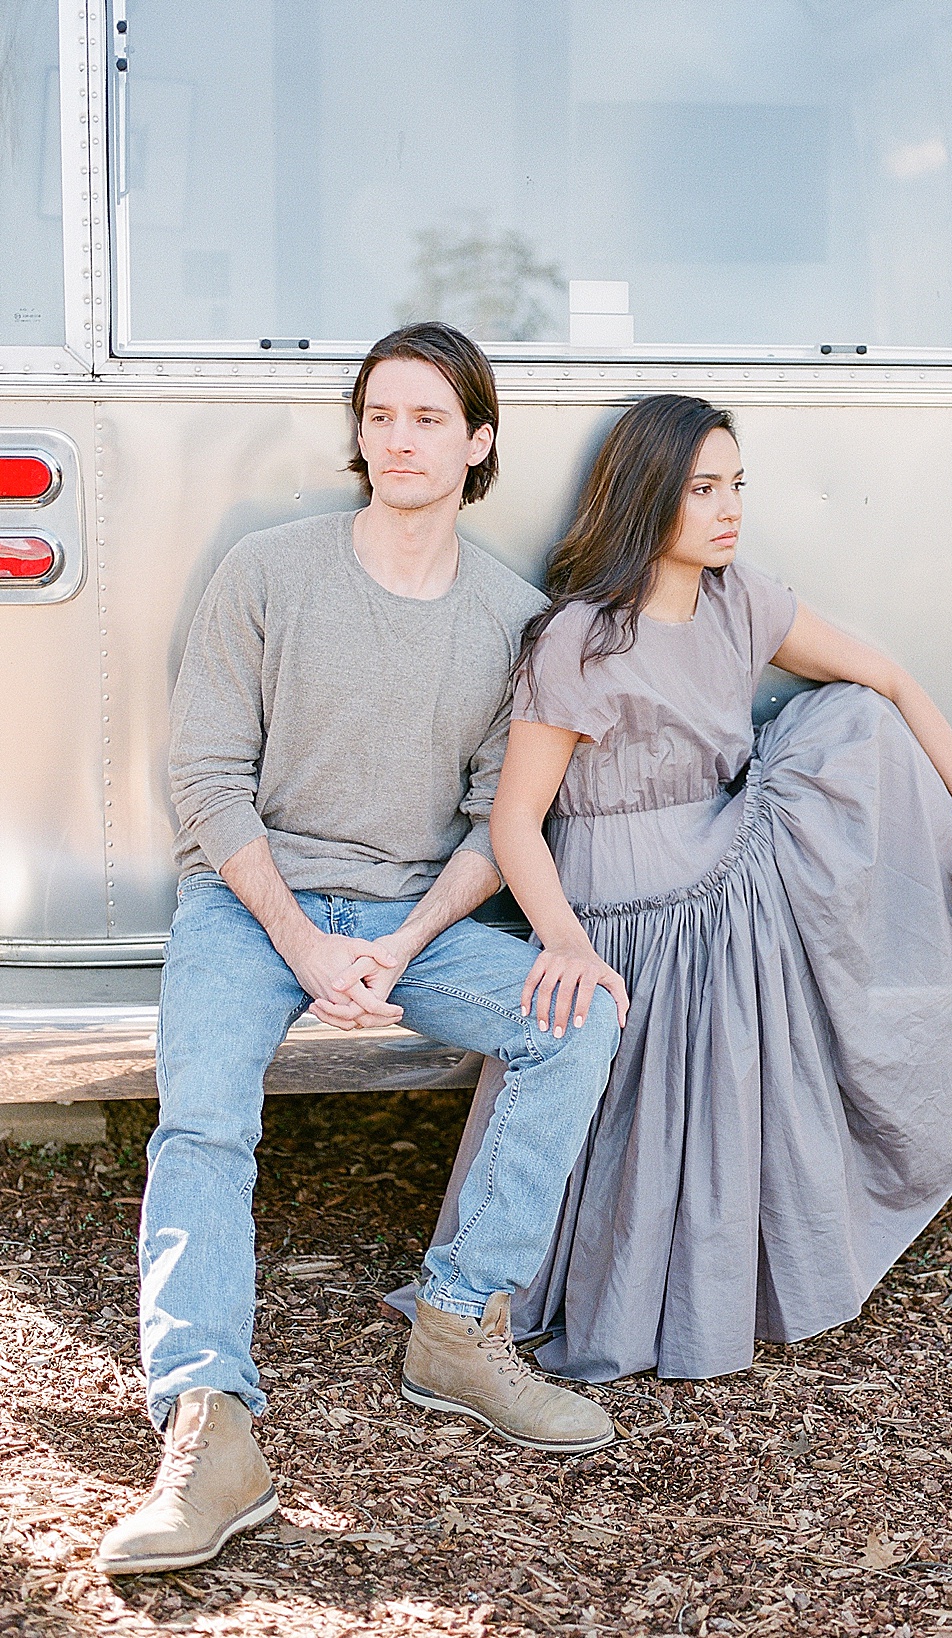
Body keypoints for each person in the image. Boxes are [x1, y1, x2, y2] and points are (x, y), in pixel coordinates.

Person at [428, 393, 952, 1387]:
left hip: (725, 863)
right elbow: (515, 821)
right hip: (630, 909)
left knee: (853, 721)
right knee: (840, 746)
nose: (730, 510)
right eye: (704, 490)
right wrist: (562, 940)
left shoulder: (742, 601)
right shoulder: (582, 640)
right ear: (648, 499)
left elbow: (892, 679)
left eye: (737, 487)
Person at [96, 323, 621, 1579]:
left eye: (429, 418)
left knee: (578, 1018)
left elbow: (507, 820)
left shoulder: (513, 620)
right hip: (251, 905)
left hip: (413, 917)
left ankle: (456, 1323)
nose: (398, 438)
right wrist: (301, 941)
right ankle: (208, 1426)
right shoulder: (267, 574)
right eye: (380, 415)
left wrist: (394, 945)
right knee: (204, 1123)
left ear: (479, 442)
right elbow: (209, 783)